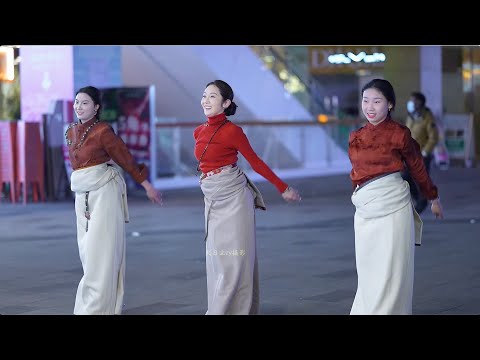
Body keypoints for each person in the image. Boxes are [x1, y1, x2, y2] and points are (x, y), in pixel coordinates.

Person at [194, 80, 301, 315]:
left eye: (212, 97)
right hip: (212, 198)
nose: (206, 101)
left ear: (226, 103)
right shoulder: (199, 131)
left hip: (234, 200)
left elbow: (256, 162)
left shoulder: (233, 131)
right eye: (204, 96)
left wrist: (283, 188)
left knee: (236, 261)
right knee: (217, 260)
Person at [348, 79, 444, 315]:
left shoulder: (400, 134)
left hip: (394, 209)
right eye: (366, 100)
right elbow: (356, 173)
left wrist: (433, 198)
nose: (370, 107)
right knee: (368, 268)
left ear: (390, 104)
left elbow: (418, 167)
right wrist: (360, 196)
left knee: (392, 269)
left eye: (377, 101)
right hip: (364, 211)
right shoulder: (355, 136)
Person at [65, 86, 162, 315]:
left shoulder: (103, 131)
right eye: (77, 102)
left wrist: (146, 185)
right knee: (88, 254)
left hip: (105, 194)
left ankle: (99, 308)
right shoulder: (70, 131)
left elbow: (124, 157)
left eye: (85, 102)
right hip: (82, 195)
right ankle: (92, 305)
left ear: (97, 107)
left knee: (103, 254)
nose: (79, 106)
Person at [402, 91, 440, 213]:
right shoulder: (411, 116)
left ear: (419, 103)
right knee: (405, 177)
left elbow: (434, 137)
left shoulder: (427, 117)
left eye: (412, 101)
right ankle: (419, 198)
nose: (410, 103)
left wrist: (425, 152)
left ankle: (422, 201)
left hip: (422, 155)